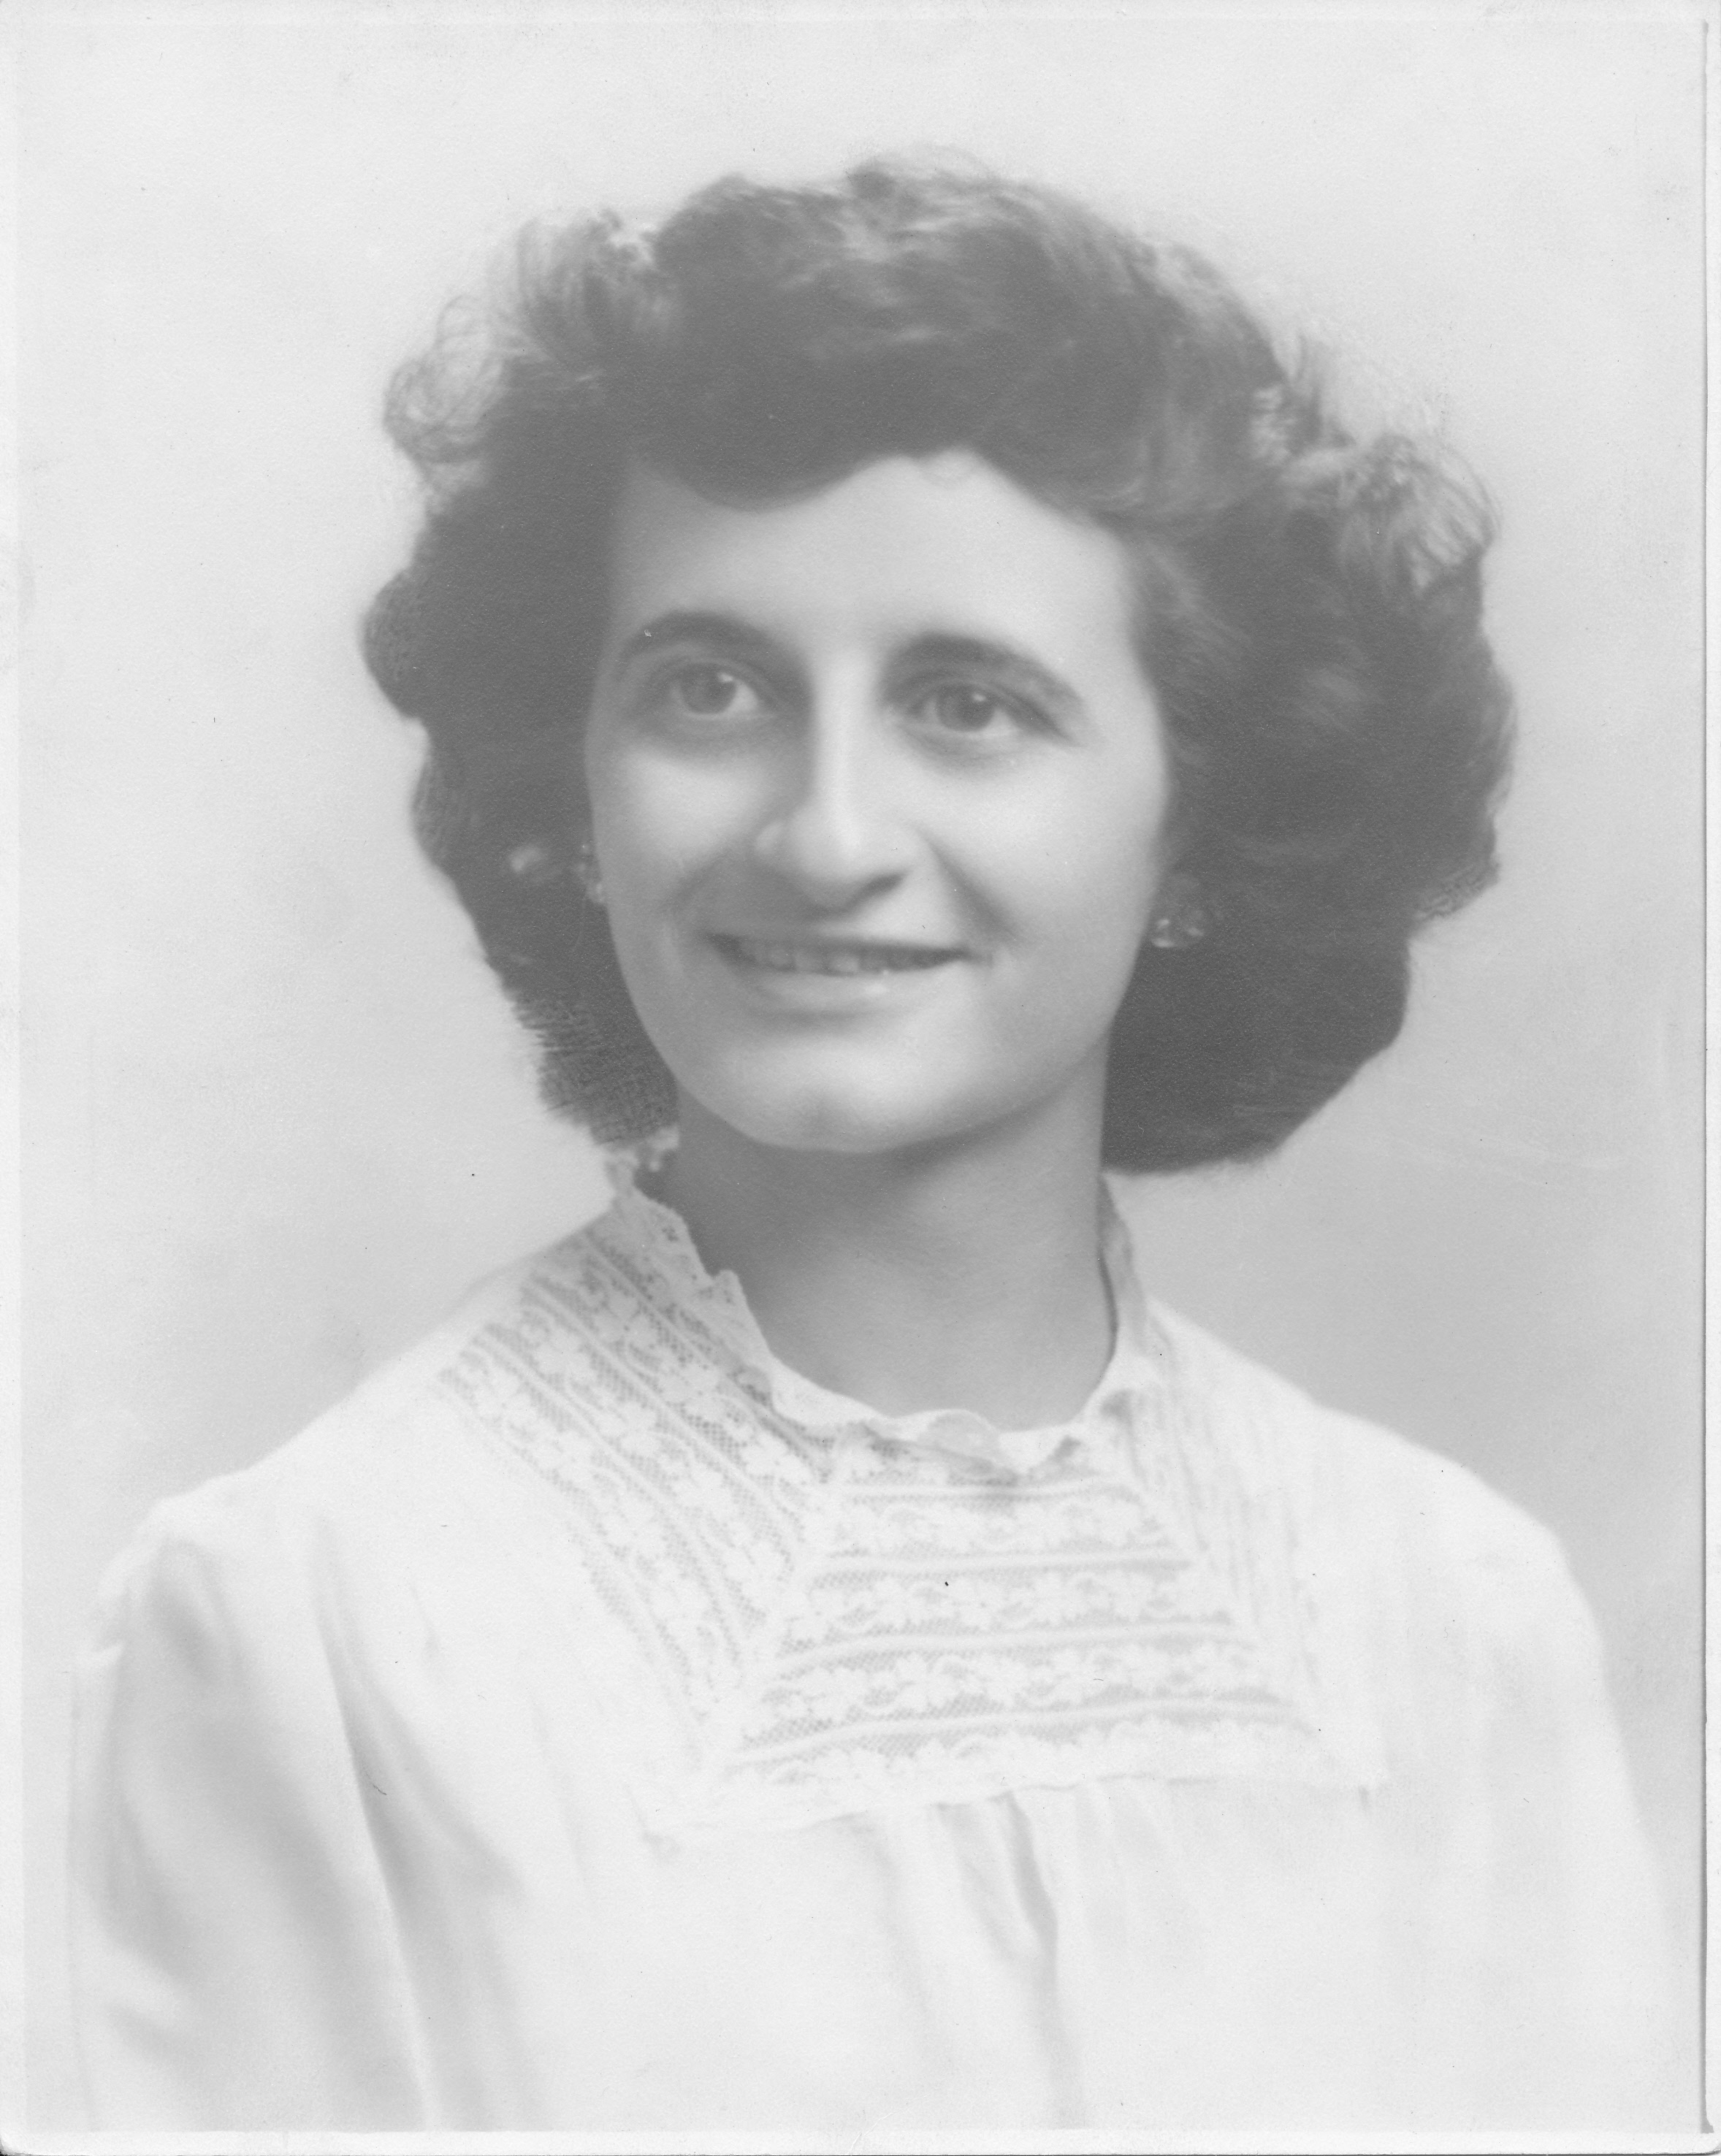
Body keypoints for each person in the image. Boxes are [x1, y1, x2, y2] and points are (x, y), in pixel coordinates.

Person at [69, 159, 1672, 2131]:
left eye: (968, 703)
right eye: (710, 688)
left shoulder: (1452, 1619)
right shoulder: (321, 1622)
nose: (825, 836)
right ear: (574, 787)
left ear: (1194, 827)